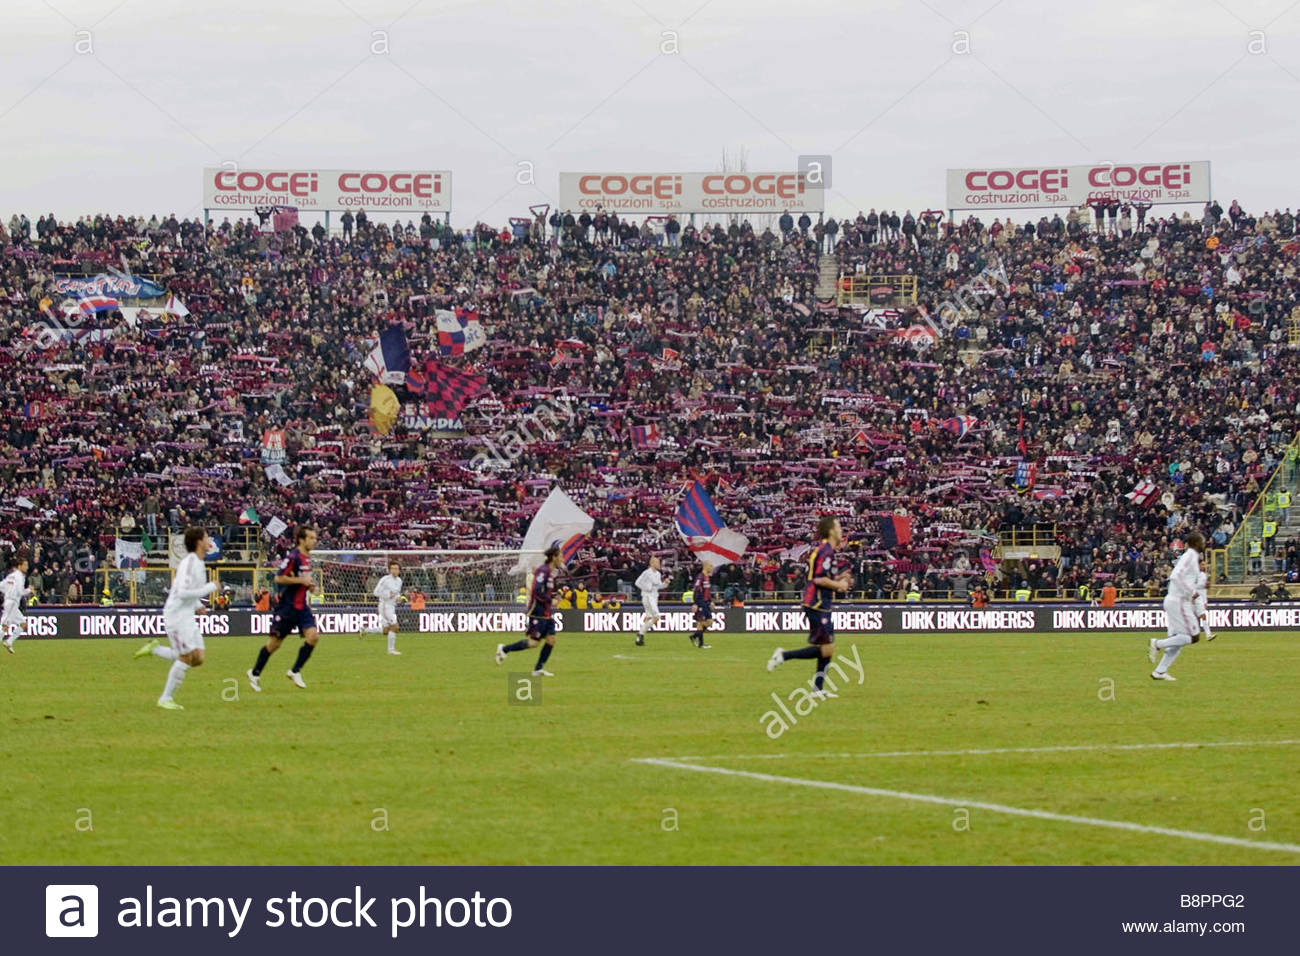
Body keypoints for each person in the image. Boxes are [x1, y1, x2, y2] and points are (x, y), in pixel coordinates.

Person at [133, 526, 219, 710]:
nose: (209, 540)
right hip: (176, 616)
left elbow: (188, 591)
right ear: (198, 542)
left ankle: (155, 649)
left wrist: (198, 605)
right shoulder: (189, 563)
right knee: (186, 657)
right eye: (206, 537)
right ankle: (165, 698)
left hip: (187, 614)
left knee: (198, 658)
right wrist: (210, 588)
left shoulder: (198, 562)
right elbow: (180, 592)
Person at [767, 516, 851, 698]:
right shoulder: (825, 551)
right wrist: (839, 585)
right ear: (830, 531)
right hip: (817, 604)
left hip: (820, 603)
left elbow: (823, 576)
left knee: (827, 647)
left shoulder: (826, 551)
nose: (840, 529)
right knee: (826, 648)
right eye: (837, 526)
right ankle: (783, 656)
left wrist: (841, 579)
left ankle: (817, 689)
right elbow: (819, 578)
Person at [247, 525, 320, 691]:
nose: (314, 541)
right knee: (274, 644)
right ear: (302, 539)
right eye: (311, 538)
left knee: (313, 636)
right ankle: (255, 673)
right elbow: (279, 578)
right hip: (287, 607)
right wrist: (300, 582)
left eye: (315, 538)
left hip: (302, 607)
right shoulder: (293, 557)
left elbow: (303, 580)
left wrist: (309, 586)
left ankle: (295, 671)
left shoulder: (307, 558)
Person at [1148, 532, 1212, 681]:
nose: (1204, 543)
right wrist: (1191, 593)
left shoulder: (1192, 557)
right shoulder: (1190, 556)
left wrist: (1201, 585)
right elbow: (1176, 576)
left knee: (1177, 641)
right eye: (1202, 541)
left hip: (1176, 600)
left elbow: (1186, 579)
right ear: (1195, 543)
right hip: (1179, 601)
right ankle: (1157, 643)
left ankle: (1160, 671)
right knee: (1193, 636)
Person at [495, 545, 562, 676]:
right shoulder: (543, 571)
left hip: (546, 612)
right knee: (533, 643)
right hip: (538, 612)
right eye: (560, 555)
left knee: (551, 640)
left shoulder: (549, 571)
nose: (562, 558)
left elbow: (543, 592)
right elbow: (536, 591)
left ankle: (538, 669)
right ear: (554, 557)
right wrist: (550, 601)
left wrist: (553, 597)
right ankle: (504, 649)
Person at [369, 560, 404, 655]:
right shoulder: (385, 580)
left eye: (396, 569)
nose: (394, 570)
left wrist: (398, 598)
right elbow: (375, 592)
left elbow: (396, 593)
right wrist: (388, 595)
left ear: (399, 570)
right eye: (392, 568)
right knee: (395, 626)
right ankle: (391, 650)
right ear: (389, 570)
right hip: (385, 606)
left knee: (386, 630)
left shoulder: (399, 581)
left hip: (392, 606)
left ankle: (365, 630)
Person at [1, 552, 33, 653]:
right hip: (12, 603)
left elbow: (2, 586)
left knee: (23, 624)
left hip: (11, 602)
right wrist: (29, 590)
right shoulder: (19, 577)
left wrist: (8, 593)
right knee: (5, 626)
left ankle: (9, 642)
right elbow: (20, 592)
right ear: (20, 566)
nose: (27, 567)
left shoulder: (11, 576)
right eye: (25, 565)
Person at [633, 555, 664, 647]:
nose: (659, 564)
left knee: (649, 617)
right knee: (656, 617)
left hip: (654, 597)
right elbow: (637, 582)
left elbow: (658, 586)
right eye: (657, 562)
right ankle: (640, 633)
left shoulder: (658, 574)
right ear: (652, 563)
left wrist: (665, 584)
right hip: (648, 597)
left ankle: (640, 637)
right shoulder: (646, 573)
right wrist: (646, 588)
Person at [686, 561, 714, 649]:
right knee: (703, 622)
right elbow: (696, 590)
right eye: (711, 565)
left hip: (706, 602)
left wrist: (711, 601)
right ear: (706, 566)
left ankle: (695, 637)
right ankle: (700, 643)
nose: (712, 568)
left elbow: (707, 591)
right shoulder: (700, 577)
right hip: (700, 602)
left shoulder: (707, 577)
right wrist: (695, 603)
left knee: (706, 622)